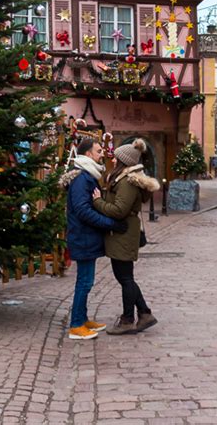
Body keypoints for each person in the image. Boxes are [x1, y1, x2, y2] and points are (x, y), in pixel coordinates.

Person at [61, 137, 128, 341]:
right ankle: (76, 325)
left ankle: (82, 318)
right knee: (84, 281)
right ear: (88, 154)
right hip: (83, 236)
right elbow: (82, 210)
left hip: (87, 236)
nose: (102, 155)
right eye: (99, 151)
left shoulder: (88, 175)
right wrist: (109, 223)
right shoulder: (82, 178)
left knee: (87, 280)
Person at [92, 138, 160, 335]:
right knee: (125, 277)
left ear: (124, 162)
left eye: (116, 159)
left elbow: (119, 210)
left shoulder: (128, 183)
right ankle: (144, 314)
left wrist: (97, 202)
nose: (112, 161)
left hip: (123, 232)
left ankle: (128, 319)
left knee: (125, 278)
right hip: (121, 232)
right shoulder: (124, 179)